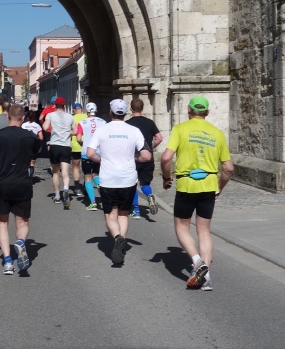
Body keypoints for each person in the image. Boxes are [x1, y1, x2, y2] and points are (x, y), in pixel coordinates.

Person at [160, 95, 234, 291]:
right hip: (208, 184)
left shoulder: (180, 129)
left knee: (182, 226)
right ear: (207, 112)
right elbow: (228, 168)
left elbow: (166, 158)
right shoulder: (217, 133)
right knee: (204, 230)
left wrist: (166, 177)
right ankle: (206, 278)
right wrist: (219, 187)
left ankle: (196, 261)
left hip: (186, 184)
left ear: (189, 111)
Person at [86, 99, 151, 265]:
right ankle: (121, 245)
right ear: (125, 113)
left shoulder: (102, 130)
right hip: (128, 178)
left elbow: (90, 153)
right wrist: (134, 157)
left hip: (108, 178)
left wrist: (102, 159)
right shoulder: (134, 130)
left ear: (110, 112)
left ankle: (117, 238)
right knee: (123, 213)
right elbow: (146, 156)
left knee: (110, 214)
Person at [0, 104, 41, 274]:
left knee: (2, 223)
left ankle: (7, 261)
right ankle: (21, 242)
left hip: (3, 183)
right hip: (23, 182)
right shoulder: (30, 136)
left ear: (7, 117)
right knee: (23, 222)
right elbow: (37, 150)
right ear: (23, 118)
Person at [126, 98, 163, 218]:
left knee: (133, 184)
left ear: (130, 108)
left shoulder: (127, 124)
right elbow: (159, 138)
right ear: (142, 108)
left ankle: (136, 210)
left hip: (134, 158)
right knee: (144, 184)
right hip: (148, 158)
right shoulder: (149, 122)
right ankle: (149, 195)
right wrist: (150, 147)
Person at [43, 96, 74, 208]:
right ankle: (65, 190)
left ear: (55, 106)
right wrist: (67, 131)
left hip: (55, 145)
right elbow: (75, 131)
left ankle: (57, 196)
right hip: (66, 146)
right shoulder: (70, 117)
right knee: (65, 173)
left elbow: (45, 127)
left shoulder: (50, 115)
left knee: (55, 172)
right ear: (64, 106)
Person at [76, 102, 107, 210]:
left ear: (87, 111)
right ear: (96, 110)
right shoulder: (103, 122)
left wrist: (83, 143)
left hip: (86, 152)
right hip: (99, 152)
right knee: (96, 174)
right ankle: (99, 185)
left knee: (87, 176)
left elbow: (78, 138)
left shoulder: (82, 122)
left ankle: (93, 202)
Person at [70, 102, 88, 197]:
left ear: (74, 110)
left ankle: (77, 188)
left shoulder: (72, 118)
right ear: (82, 109)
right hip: (86, 144)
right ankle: (86, 186)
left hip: (76, 146)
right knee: (86, 167)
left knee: (75, 167)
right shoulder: (87, 117)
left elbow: (70, 131)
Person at [21, 110, 44, 178]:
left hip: (25, 144)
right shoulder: (37, 126)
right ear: (35, 117)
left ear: (27, 117)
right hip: (34, 144)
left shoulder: (23, 125)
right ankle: (30, 177)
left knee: (25, 161)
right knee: (32, 162)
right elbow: (41, 138)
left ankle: (24, 176)